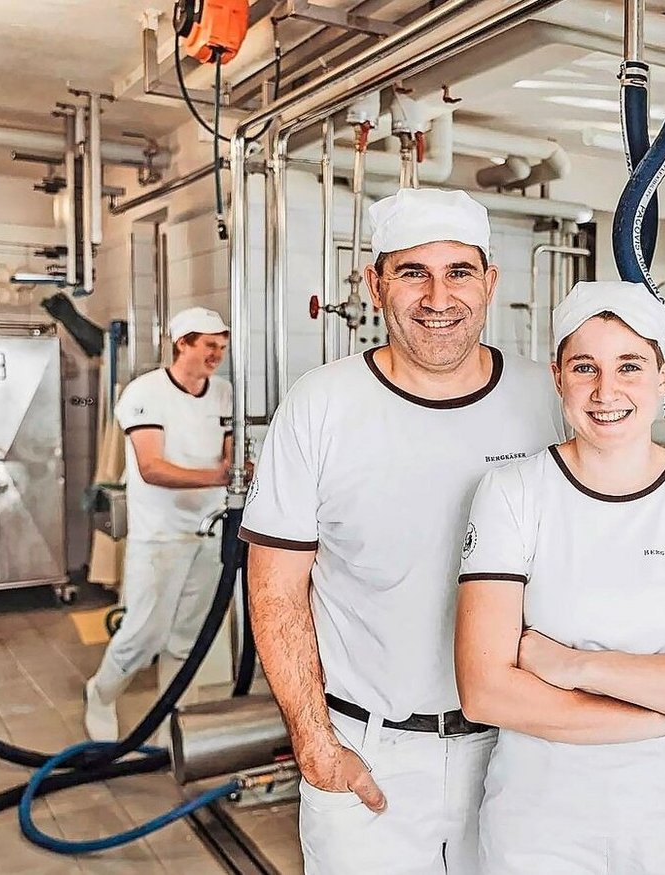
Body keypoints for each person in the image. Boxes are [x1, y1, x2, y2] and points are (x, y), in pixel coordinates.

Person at [240, 188, 563, 875]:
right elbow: (274, 590)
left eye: (460, 271)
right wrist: (314, 741)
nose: (438, 295)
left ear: (490, 281)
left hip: (519, 748)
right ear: (375, 282)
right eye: (413, 271)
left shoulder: (547, 400)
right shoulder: (321, 404)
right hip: (370, 755)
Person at [455, 280, 665, 875]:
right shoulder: (514, 492)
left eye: (630, 366)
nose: (607, 392)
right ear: (558, 377)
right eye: (586, 368)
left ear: (663, 376)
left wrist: (574, 666)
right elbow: (485, 690)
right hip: (538, 826)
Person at [84, 307, 235, 741]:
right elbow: (153, 468)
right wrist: (225, 477)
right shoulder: (145, 393)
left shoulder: (222, 392)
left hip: (209, 531)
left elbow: (228, 454)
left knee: (187, 637)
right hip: (161, 537)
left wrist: (236, 466)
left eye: (222, 347)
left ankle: (171, 723)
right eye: (209, 345)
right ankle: (101, 694)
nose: (217, 355)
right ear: (182, 343)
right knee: (144, 635)